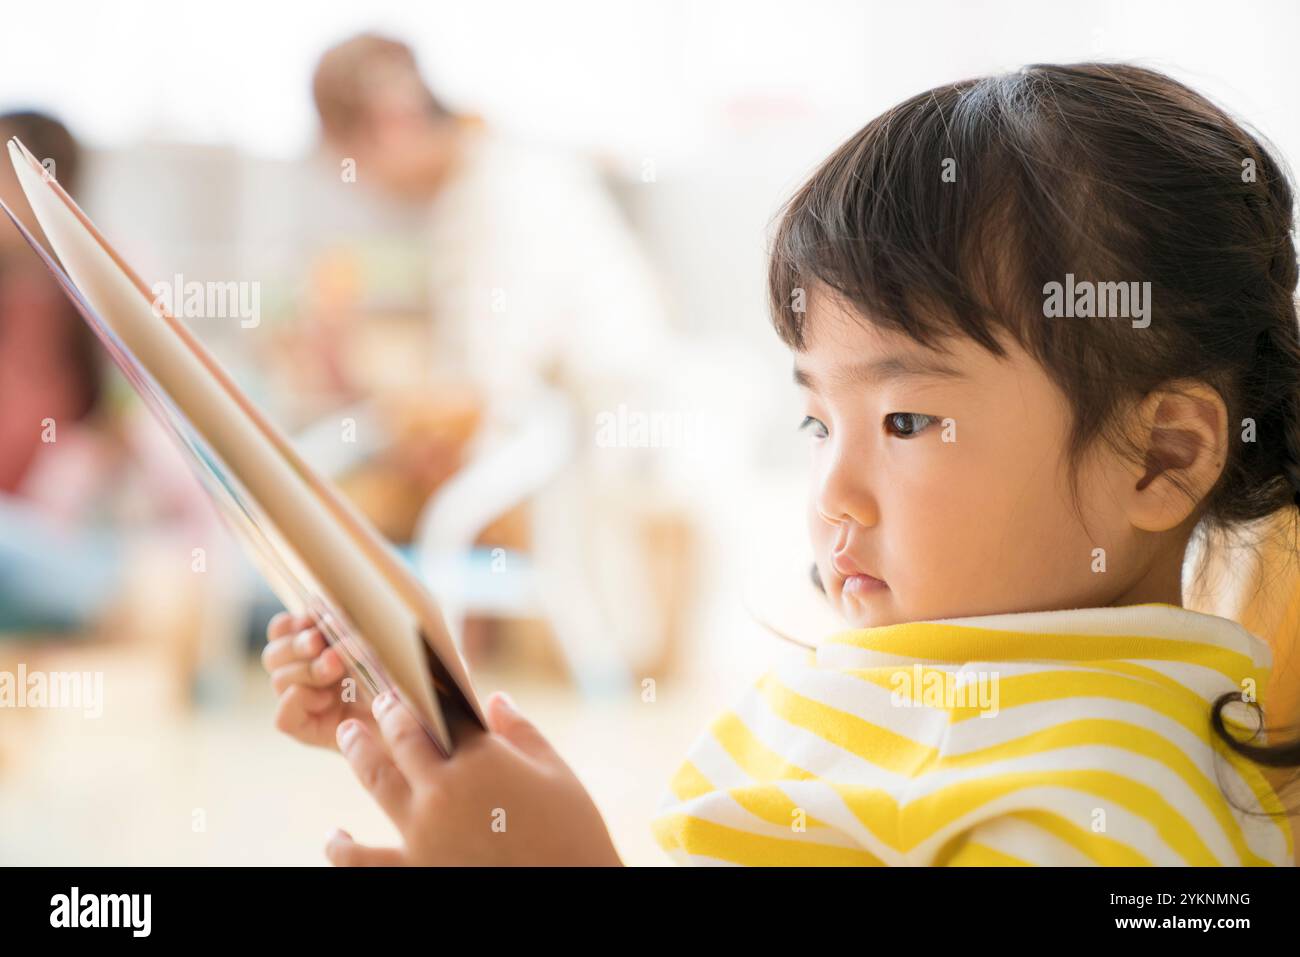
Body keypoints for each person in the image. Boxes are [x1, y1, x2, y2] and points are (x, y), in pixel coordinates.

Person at [263, 63, 1300, 865]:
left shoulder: (1111, 797)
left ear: (1159, 457)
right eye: (816, 424)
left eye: (903, 423)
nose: (831, 497)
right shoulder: (927, 690)